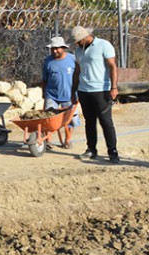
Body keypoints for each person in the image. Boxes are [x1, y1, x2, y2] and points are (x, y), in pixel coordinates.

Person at [70, 26, 120, 163]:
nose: (77, 43)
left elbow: (112, 66)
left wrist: (114, 87)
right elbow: (77, 70)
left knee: (106, 121)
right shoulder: (79, 50)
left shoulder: (104, 45)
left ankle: (112, 151)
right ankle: (91, 149)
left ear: (86, 37)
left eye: (79, 41)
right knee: (89, 122)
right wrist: (73, 90)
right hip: (84, 90)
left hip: (101, 90)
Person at [41, 36, 80, 149]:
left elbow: (78, 76)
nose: (54, 51)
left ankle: (68, 140)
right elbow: (44, 79)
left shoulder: (73, 60)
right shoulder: (48, 61)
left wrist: (77, 93)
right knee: (49, 118)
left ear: (63, 48)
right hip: (51, 95)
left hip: (69, 95)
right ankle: (48, 141)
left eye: (57, 48)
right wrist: (44, 92)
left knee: (70, 120)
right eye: (52, 48)